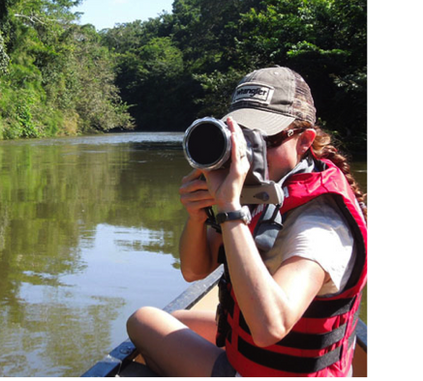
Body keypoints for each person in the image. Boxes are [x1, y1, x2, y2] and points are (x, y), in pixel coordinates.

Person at [126, 66, 367, 377]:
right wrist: (198, 216)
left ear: (305, 141)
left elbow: (271, 327)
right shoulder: (263, 187)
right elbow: (194, 271)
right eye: (243, 136)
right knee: (177, 319)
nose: (251, 153)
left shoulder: (320, 224)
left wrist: (230, 210)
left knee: (143, 321)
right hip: (261, 353)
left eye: (265, 138)